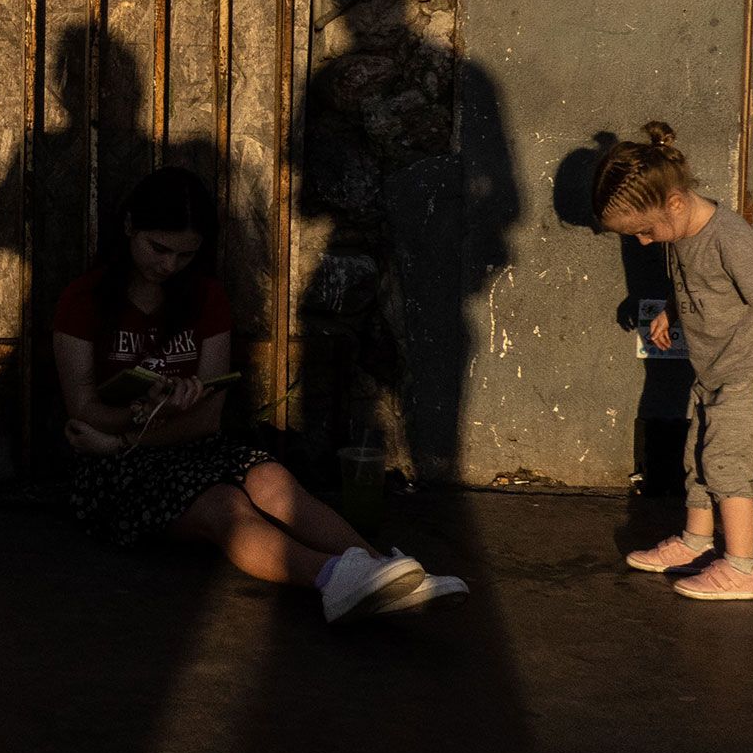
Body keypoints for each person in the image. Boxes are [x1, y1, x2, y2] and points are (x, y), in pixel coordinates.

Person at [54, 167, 467, 623]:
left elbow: (208, 419)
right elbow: (82, 414)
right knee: (225, 506)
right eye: (159, 248)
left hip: (184, 442)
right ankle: (334, 579)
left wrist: (162, 416)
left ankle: (386, 571)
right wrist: (134, 425)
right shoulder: (84, 299)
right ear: (130, 226)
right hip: (112, 465)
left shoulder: (204, 297)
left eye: (185, 255)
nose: (169, 265)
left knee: (274, 481)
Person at [592, 122, 753, 601]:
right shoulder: (680, 233)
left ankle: (743, 568)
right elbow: (690, 282)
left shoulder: (729, 236)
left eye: (645, 231)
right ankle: (696, 543)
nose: (644, 242)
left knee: (725, 465)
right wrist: (669, 308)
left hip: (747, 373)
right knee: (697, 461)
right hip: (711, 369)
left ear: (676, 203)